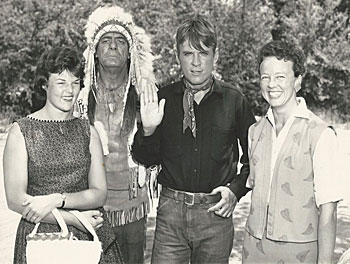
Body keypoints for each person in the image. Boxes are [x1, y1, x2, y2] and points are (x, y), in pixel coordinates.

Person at [131, 14, 256, 264]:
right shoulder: (162, 99)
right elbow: (144, 157)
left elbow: (255, 158)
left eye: (203, 53)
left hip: (215, 216)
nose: (196, 63)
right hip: (171, 217)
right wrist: (148, 130)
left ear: (215, 56)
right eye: (188, 54)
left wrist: (235, 191)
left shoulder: (234, 101)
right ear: (178, 56)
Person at [3, 47, 123, 264]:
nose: (69, 90)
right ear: (44, 84)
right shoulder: (21, 132)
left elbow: (99, 193)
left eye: (75, 82)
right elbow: (16, 200)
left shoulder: (89, 131)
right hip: (41, 238)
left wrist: (57, 199)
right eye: (61, 82)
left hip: (91, 235)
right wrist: (74, 219)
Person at [243, 40, 341, 263]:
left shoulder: (320, 134)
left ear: (297, 81)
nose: (271, 84)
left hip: (300, 256)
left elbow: (329, 212)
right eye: (265, 77)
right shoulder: (254, 132)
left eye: (280, 77)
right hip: (253, 252)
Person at [75, 5, 156, 264]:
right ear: (95, 52)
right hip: (89, 208)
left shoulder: (146, 96)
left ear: (130, 52)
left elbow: (157, 153)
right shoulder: (79, 98)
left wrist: (151, 129)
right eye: (105, 41)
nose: (112, 46)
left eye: (120, 41)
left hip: (132, 208)